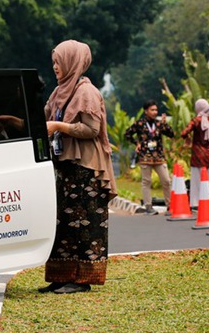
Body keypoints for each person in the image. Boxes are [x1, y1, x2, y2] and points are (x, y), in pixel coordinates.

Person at [38, 40, 117, 295]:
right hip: (66, 167)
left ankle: (82, 279)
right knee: (63, 222)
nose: (55, 67)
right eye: (54, 62)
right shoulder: (58, 92)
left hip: (87, 169)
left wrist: (59, 127)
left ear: (72, 61)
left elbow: (92, 129)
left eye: (59, 61)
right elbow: (45, 118)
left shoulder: (87, 92)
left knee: (86, 224)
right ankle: (62, 275)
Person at [124, 100, 174, 213]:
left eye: (156, 110)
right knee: (146, 182)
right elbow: (127, 134)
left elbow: (171, 134)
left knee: (166, 180)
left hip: (159, 157)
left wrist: (165, 124)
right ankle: (148, 206)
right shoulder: (139, 124)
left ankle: (170, 205)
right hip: (145, 157)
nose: (155, 112)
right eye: (152, 110)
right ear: (146, 111)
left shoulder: (159, 124)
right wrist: (136, 143)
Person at [181, 99, 209, 208]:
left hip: (198, 155)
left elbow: (183, 132)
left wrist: (187, 138)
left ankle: (196, 203)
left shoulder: (195, 121)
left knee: (197, 179)